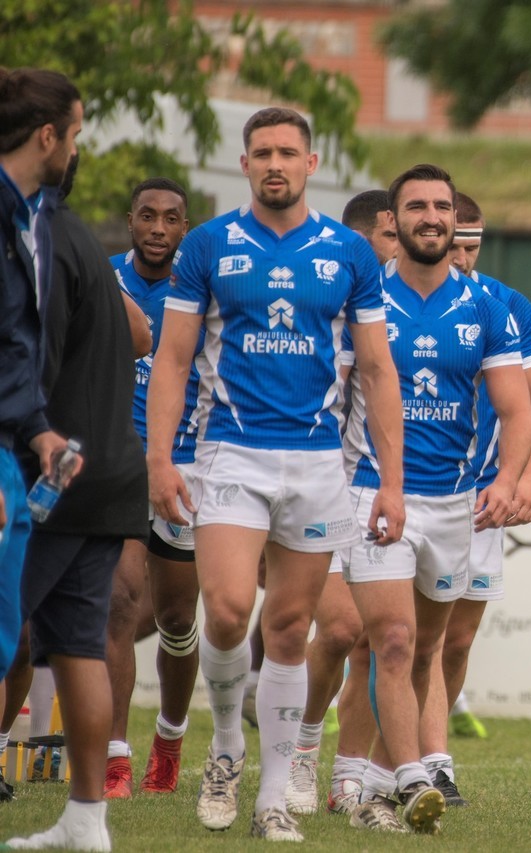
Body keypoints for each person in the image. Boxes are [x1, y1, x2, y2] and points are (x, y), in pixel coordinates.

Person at [146, 107, 407, 842]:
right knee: (229, 611)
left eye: (288, 153)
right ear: (245, 162)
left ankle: (271, 798)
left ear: (310, 164)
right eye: (262, 152)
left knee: (289, 628)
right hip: (231, 451)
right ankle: (227, 747)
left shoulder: (349, 252)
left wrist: (391, 481)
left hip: (320, 462)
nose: (275, 164)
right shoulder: (208, 244)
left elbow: (378, 370)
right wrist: (159, 457)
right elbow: (173, 357)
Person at [342, 164, 531, 834]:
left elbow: (518, 407)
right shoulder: (362, 297)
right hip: (373, 493)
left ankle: (371, 787)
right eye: (417, 206)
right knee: (391, 640)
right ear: (393, 222)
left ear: (455, 220)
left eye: (442, 207)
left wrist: (508, 479)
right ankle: (411, 775)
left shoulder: (486, 307)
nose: (431, 217)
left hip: (455, 504)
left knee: (425, 649)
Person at [7, 152, 148, 852]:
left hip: (52, 471)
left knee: (11, 631)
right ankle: (87, 822)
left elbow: (33, 361)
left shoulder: (39, 240)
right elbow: (142, 333)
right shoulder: (81, 237)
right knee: (76, 646)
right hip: (108, 471)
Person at [420, 190, 531, 804]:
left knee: (456, 641)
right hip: (417, 489)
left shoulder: (507, 306)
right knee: (404, 638)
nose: (464, 257)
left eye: (473, 246)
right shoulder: (399, 294)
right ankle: (420, 762)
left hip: (483, 498)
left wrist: (526, 478)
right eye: (457, 244)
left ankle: (428, 753)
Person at [283, 188, 396, 817]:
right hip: (322, 484)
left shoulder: (404, 308)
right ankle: (301, 747)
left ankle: (348, 777)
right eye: (388, 236)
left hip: (384, 491)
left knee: (378, 639)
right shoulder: (329, 304)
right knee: (342, 627)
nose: (399, 247)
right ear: (360, 241)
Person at [103, 178, 197, 800]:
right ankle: (115, 757)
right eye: (147, 216)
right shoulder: (103, 280)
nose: (158, 228)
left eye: (170, 218)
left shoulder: (201, 288)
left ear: (184, 228)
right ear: (131, 220)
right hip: (118, 463)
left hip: (184, 468)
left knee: (176, 620)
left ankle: (169, 737)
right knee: (116, 603)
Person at [0, 68, 83, 684]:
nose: (76, 152)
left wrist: (37, 429)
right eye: (75, 136)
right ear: (47, 136)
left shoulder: (29, 216)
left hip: (13, 446)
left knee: (5, 641)